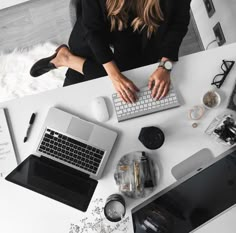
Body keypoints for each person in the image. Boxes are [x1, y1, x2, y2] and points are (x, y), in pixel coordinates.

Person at [30, 0, 191, 103]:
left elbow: (178, 25)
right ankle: (66, 59)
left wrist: (165, 66)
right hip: (97, 31)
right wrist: (114, 75)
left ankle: (68, 59)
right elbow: (92, 30)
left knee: (132, 85)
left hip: (143, 35)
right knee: (79, 94)